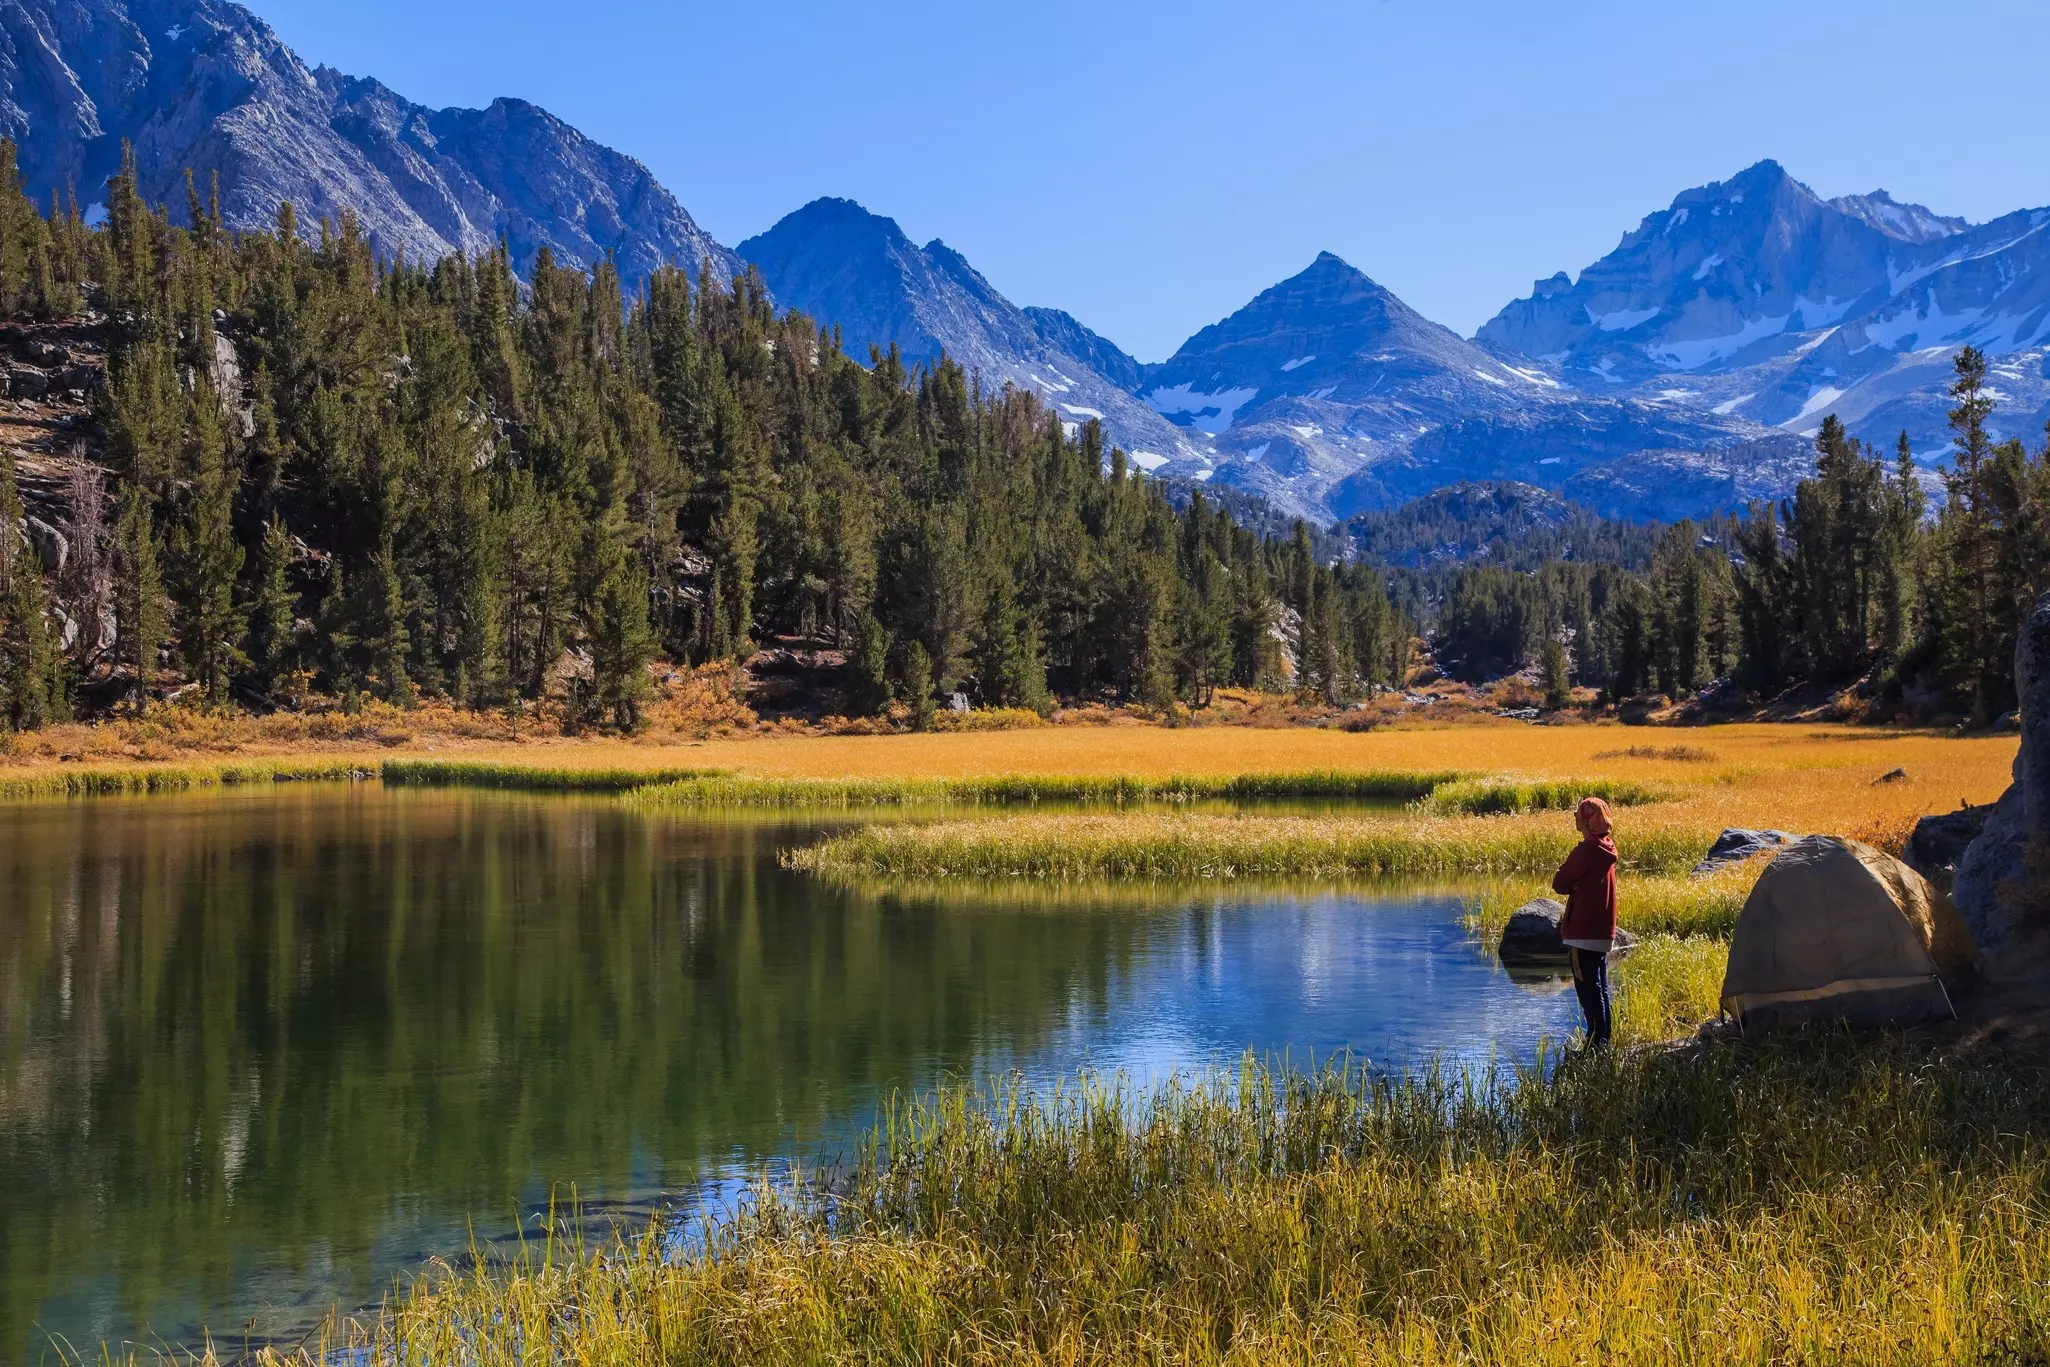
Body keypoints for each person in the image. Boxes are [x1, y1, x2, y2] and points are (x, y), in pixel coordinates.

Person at [1552, 796, 1619, 1048]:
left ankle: (1595, 1048)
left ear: (1588, 820)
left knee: (1588, 993)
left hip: (1583, 932)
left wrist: (1574, 883)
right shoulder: (1607, 847)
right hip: (1602, 932)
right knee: (1600, 990)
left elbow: (1559, 884)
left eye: (1580, 814)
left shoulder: (1586, 850)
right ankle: (1603, 1044)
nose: (1575, 818)